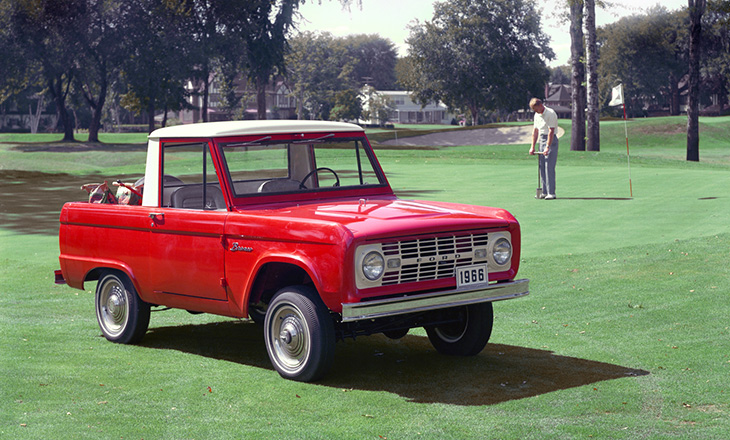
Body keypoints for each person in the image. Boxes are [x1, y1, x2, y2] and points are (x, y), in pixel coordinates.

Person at [528, 98, 559, 200]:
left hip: (551, 140)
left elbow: (551, 131)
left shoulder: (550, 113)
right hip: (541, 139)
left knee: (549, 166)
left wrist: (547, 147)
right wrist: (532, 146)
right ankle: (544, 192)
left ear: (540, 105)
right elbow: (535, 131)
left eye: (536, 109)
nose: (536, 112)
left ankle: (551, 192)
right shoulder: (537, 115)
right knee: (541, 166)